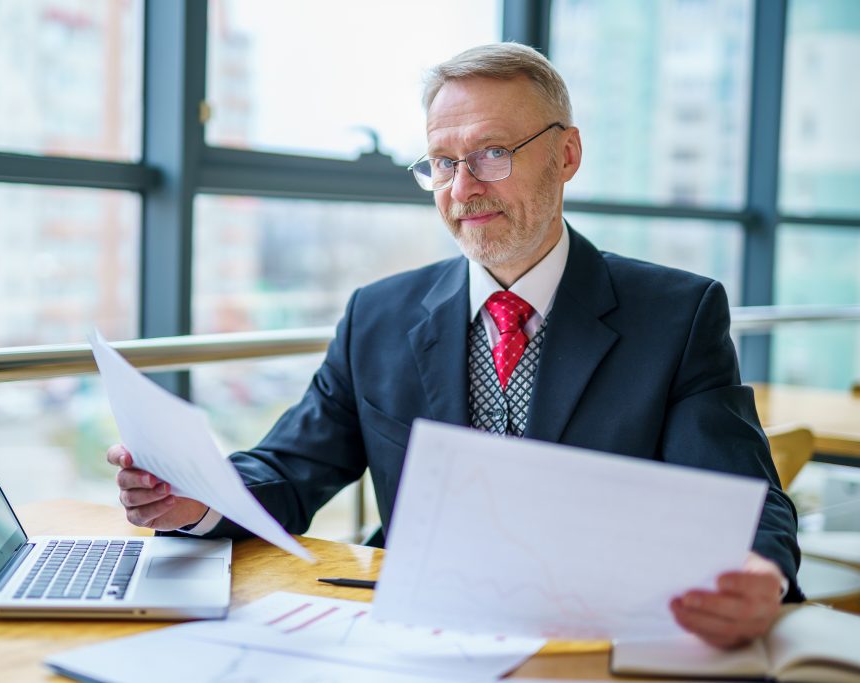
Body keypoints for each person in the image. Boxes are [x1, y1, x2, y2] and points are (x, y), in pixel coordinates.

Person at [107, 43, 801, 649]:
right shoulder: (377, 315)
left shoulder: (677, 315)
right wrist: (195, 501)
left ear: (566, 155)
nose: (463, 188)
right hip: (410, 633)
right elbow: (287, 469)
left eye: (492, 154)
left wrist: (759, 572)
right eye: (442, 161)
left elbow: (745, 499)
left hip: (591, 640)